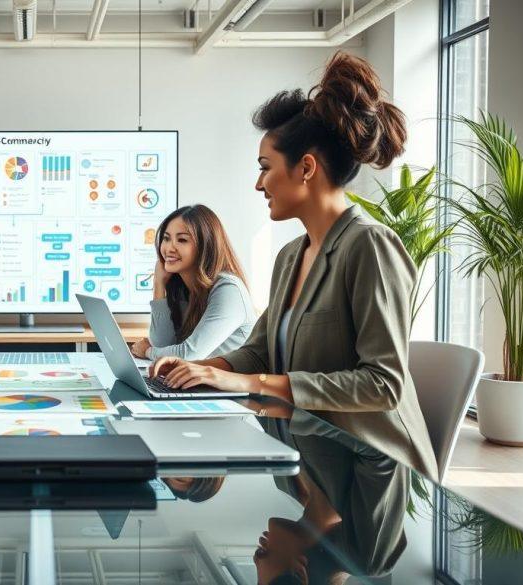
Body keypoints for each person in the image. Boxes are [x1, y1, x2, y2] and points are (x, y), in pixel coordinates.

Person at [149, 52, 438, 478]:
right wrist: (200, 370)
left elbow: (383, 384)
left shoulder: (370, 246)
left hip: (374, 472)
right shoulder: (291, 256)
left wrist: (252, 384)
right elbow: (260, 350)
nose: (258, 182)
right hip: (313, 458)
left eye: (265, 168)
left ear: (306, 168)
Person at [130, 205, 255, 361]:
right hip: (197, 382)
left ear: (205, 246)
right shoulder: (182, 287)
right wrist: (159, 284)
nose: (169, 247)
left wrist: (148, 351)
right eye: (166, 238)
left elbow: (189, 354)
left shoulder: (229, 289)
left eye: (182, 240)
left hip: (229, 383)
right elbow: (162, 345)